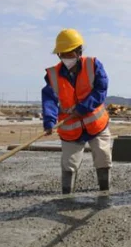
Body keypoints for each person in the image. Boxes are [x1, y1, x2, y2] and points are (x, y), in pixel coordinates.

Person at [42, 28, 112, 194]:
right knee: (69, 164)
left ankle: (104, 193)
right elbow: (49, 99)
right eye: (63, 55)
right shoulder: (53, 75)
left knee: (103, 157)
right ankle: (67, 196)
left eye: (70, 54)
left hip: (96, 125)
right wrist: (49, 121)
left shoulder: (93, 65)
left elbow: (101, 90)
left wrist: (83, 108)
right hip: (70, 129)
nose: (66, 58)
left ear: (79, 51)